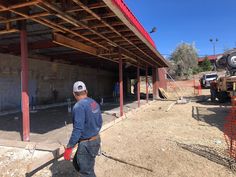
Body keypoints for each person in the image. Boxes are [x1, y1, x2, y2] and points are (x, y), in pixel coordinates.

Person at [64, 81, 103, 177]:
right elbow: (100, 121)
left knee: (86, 173)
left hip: (87, 144)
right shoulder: (94, 103)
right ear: (86, 91)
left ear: (74, 94)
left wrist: (69, 147)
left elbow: (77, 129)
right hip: (96, 140)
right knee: (77, 163)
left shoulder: (78, 107)